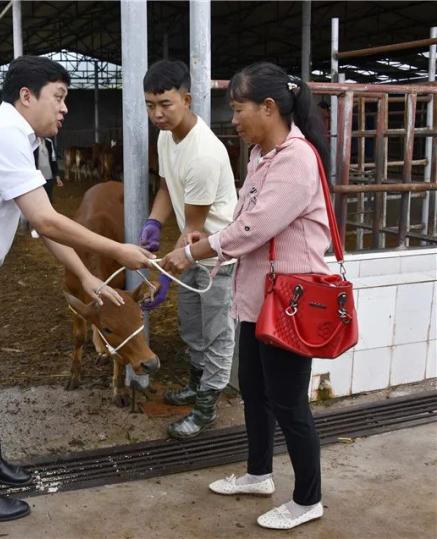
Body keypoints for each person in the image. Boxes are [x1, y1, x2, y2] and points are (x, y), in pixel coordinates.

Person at [0, 55, 154, 523]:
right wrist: (118, 251)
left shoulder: (25, 141)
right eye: (58, 98)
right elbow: (46, 220)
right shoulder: (2, 137)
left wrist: (87, 276)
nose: (64, 110)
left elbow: (44, 230)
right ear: (25, 96)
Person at [160, 62, 330, 530]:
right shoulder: (260, 155)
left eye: (238, 109)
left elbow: (255, 227)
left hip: (292, 303)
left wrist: (196, 252)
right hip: (259, 298)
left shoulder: (296, 158)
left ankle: (308, 499)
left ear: (269, 107)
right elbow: (240, 217)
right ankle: (259, 474)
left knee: (290, 403)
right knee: (255, 391)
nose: (233, 119)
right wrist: (201, 238)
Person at [140, 60, 238, 440]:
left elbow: (194, 231)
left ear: (187, 98)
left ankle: (207, 407)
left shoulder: (203, 154)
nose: (157, 114)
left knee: (216, 331)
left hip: (215, 254)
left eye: (165, 104)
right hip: (192, 247)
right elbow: (166, 188)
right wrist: (153, 222)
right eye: (149, 105)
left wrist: (163, 278)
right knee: (191, 325)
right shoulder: (167, 137)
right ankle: (198, 386)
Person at [34, 136, 63, 202]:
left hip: (48, 175)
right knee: (38, 199)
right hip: (37, 176)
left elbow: (53, 159)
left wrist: (57, 177)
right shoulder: (32, 142)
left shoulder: (49, 142)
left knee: (49, 198)